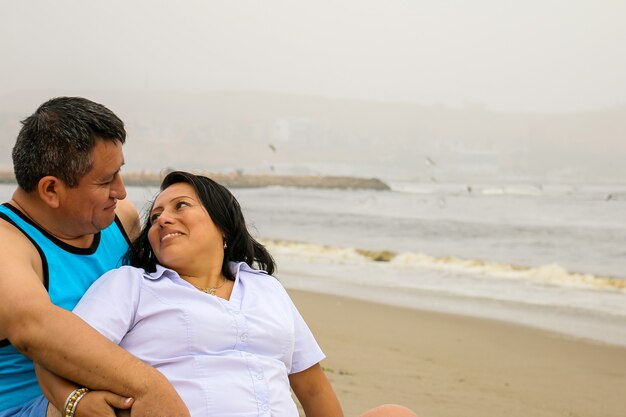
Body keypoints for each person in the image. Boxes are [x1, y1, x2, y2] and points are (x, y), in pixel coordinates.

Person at [38, 171, 417, 417]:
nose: (163, 219)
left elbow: (312, 387)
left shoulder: (266, 289)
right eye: (155, 217)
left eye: (181, 206)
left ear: (223, 225)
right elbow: (58, 354)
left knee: (395, 414)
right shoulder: (129, 286)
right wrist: (76, 403)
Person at [0, 97, 189, 417]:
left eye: (119, 172)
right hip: (29, 407)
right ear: (51, 190)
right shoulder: (9, 244)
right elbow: (35, 328)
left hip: (109, 382)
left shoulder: (122, 219)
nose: (122, 191)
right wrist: (151, 388)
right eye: (105, 181)